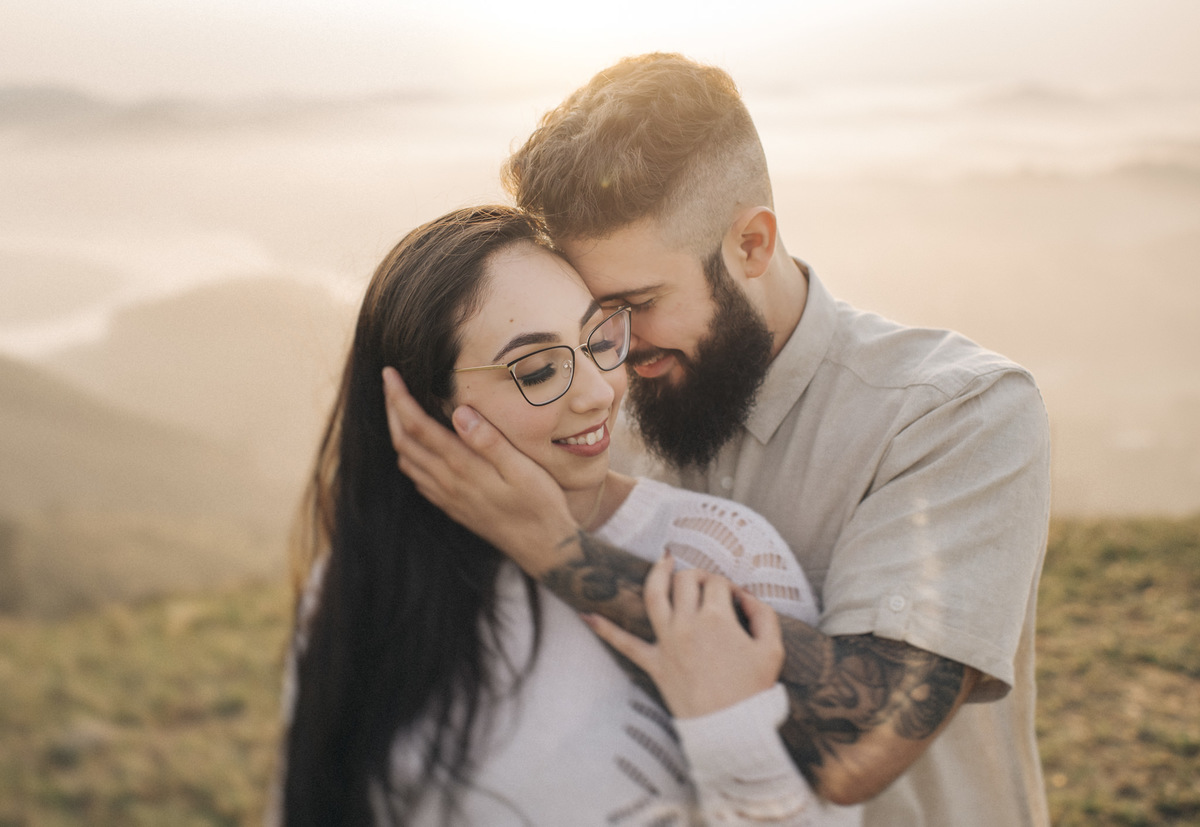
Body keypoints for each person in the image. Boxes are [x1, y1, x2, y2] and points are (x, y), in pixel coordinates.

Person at [384, 54, 1053, 826]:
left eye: (638, 302)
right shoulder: (596, 407)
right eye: (593, 316)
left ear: (752, 245)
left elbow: (858, 741)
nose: (614, 351)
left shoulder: (957, 413)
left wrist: (556, 551)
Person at [278, 205, 863, 825]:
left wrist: (730, 731)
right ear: (426, 405)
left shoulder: (720, 555)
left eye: (599, 340)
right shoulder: (360, 587)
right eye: (537, 370)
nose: (597, 391)